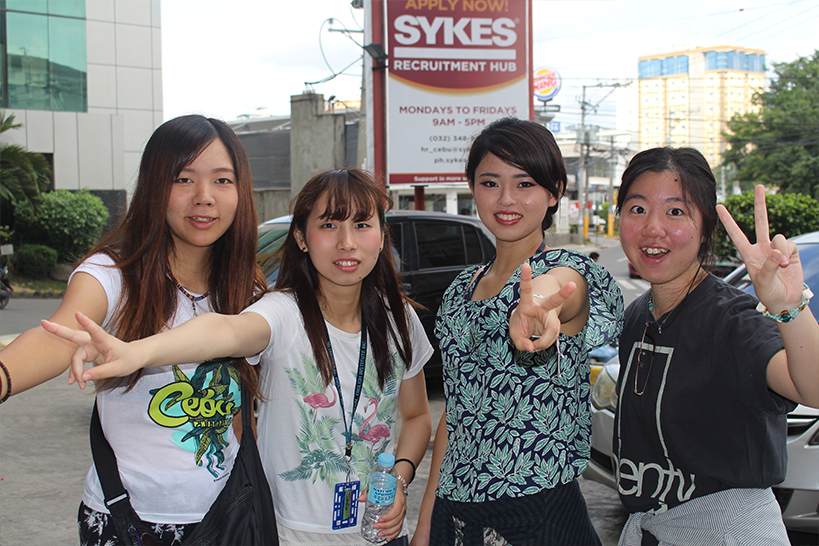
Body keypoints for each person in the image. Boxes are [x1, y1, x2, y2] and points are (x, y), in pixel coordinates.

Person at [45, 169, 433, 545]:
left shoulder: (399, 319)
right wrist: (137, 352)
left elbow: (416, 416)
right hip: (285, 533)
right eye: (329, 225)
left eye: (362, 225)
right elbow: (226, 331)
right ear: (301, 237)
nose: (347, 242)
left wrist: (399, 478)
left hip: (379, 532)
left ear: (382, 236)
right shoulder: (283, 313)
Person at [0, 114, 266, 545]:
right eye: (183, 179)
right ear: (154, 185)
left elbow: (244, 418)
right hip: (128, 522)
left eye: (222, 180)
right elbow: (59, 334)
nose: (204, 197)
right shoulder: (113, 274)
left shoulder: (246, 287)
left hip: (230, 515)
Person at [411, 117, 623, 545]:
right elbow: (456, 416)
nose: (506, 198)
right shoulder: (459, 290)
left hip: (538, 514)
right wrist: (425, 523)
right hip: (456, 512)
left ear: (555, 191)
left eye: (524, 183)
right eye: (490, 183)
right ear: (472, 188)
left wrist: (540, 307)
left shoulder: (566, 269)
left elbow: (559, 290)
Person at [614, 146, 819, 546]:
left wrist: (789, 306)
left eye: (676, 211)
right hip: (654, 529)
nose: (653, 227)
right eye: (637, 209)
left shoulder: (733, 319)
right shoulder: (638, 315)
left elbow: (812, 388)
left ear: (706, 228)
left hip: (728, 532)